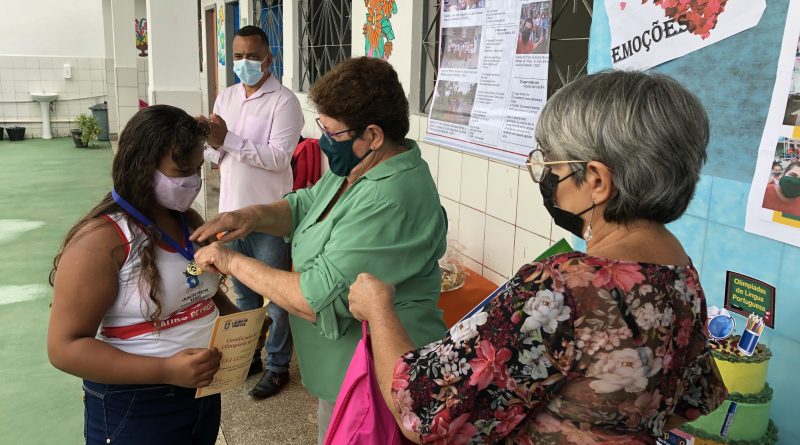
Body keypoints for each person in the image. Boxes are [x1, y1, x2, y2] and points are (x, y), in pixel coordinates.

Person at [347, 71, 728, 444]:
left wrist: (379, 309)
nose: (544, 178)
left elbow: (424, 413)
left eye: (552, 167)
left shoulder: (564, 286)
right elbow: (692, 400)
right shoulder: (680, 272)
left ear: (596, 180)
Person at [190, 57, 448, 444]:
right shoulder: (359, 169)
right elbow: (307, 204)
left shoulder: (390, 197)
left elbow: (316, 297)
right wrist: (250, 215)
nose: (323, 142)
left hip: (375, 379)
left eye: (331, 133)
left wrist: (231, 261)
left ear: (373, 135)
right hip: (343, 373)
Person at [47, 105, 241, 445]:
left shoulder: (186, 220)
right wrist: (166, 370)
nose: (193, 182)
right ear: (142, 166)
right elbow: (64, 347)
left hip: (202, 393)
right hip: (136, 406)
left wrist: (236, 321)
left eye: (198, 169)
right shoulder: (101, 241)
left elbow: (199, 286)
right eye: (181, 171)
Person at [200, 25, 304, 399]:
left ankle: (278, 367)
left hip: (267, 218)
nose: (243, 62)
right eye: (238, 56)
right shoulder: (225, 97)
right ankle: (251, 356)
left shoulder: (284, 102)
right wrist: (211, 140)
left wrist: (225, 138)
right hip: (230, 214)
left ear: (268, 58)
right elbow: (215, 157)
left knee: (277, 300)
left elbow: (278, 159)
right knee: (243, 297)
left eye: (251, 55)